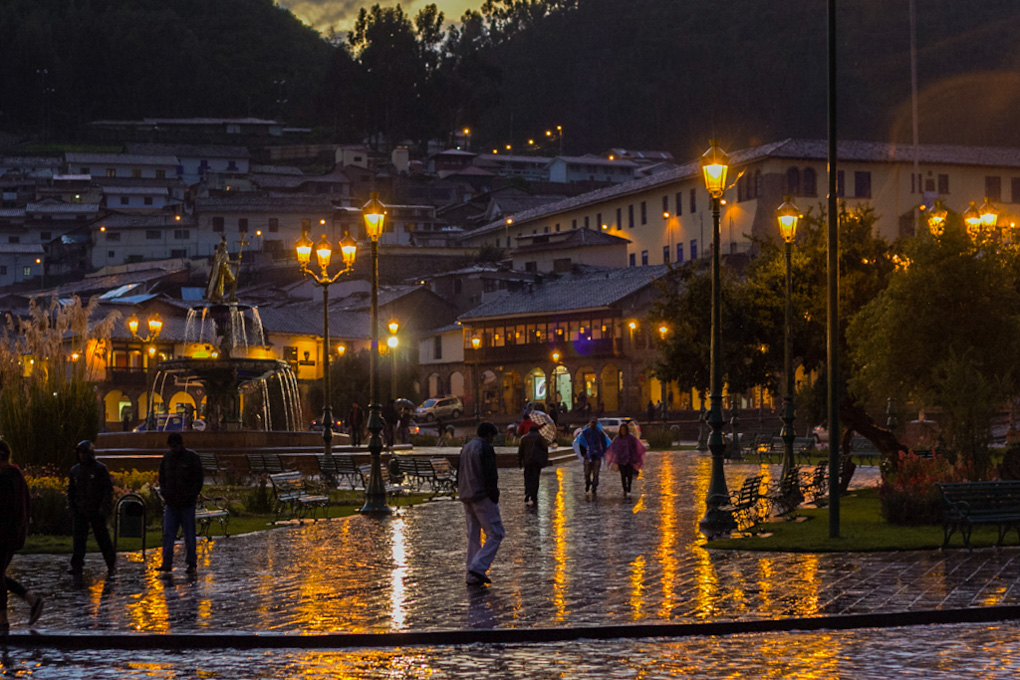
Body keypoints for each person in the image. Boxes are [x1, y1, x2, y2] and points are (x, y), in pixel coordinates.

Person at [0, 440, 44, 633]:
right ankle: (32, 599)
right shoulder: (15, 476)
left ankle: (2, 621)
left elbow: (4, 510)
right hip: (11, 535)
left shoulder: (6, 479)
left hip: (3, 536)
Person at [458, 422, 504, 586]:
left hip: (466, 494)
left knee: (473, 535)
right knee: (496, 532)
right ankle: (478, 567)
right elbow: (490, 474)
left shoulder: (467, 447)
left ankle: (471, 572)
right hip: (481, 495)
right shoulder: (485, 448)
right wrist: (494, 495)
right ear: (489, 435)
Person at [67, 440, 117, 578]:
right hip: (80, 510)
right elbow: (71, 491)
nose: (82, 456)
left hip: (96, 510)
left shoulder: (99, 469)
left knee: (103, 538)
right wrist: (72, 507)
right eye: (80, 453)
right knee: (78, 540)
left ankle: (111, 564)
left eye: (84, 453)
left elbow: (108, 489)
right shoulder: (75, 470)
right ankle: (77, 565)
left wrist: (103, 506)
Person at [158, 433, 204, 574]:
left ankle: (191, 563)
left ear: (179, 444)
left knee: (189, 534)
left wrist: (191, 495)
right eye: (170, 446)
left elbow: (198, 479)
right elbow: (162, 478)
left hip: (186, 504)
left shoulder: (191, 458)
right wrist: (165, 493)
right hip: (172, 503)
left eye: (174, 446)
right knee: (168, 534)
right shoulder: (167, 459)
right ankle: (167, 562)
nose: (172, 448)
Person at [605, 423, 647, 498]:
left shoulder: (630, 437)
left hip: (629, 459)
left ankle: (629, 487)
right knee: (623, 475)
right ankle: (625, 489)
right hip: (621, 459)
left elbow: (636, 445)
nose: (623, 431)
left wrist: (637, 453)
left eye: (624, 430)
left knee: (629, 475)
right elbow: (613, 447)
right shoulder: (617, 439)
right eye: (622, 430)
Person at [573, 419, 611, 496]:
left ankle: (594, 486)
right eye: (591, 423)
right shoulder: (585, 433)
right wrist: (583, 453)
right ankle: (588, 483)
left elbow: (603, 443)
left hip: (597, 456)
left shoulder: (599, 433)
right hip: (587, 456)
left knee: (596, 473)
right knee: (587, 472)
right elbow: (582, 443)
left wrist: (602, 452)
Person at [517, 425, 549, 506]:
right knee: (535, 478)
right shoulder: (540, 438)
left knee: (527, 477)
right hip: (537, 461)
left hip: (527, 461)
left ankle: (528, 491)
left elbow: (520, 451)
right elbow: (545, 449)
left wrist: (520, 462)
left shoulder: (524, 438)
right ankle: (534, 494)